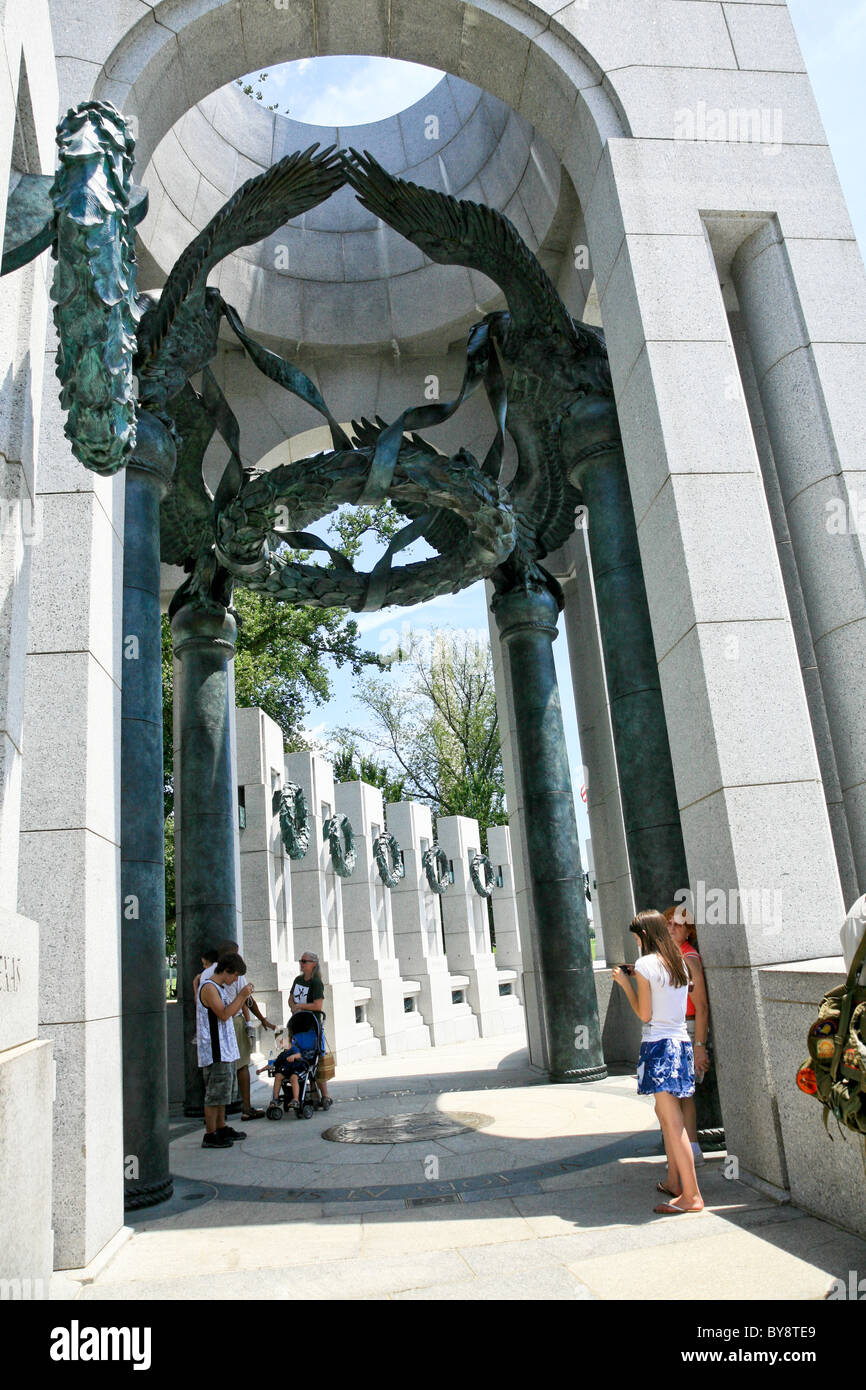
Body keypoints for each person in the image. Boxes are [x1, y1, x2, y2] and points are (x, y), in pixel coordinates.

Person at [612, 909, 705, 1215]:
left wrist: (626, 985)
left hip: (659, 1045)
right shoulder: (680, 960)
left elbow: (645, 1014)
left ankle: (691, 1195)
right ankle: (676, 1183)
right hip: (680, 1044)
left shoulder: (645, 964)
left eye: (637, 936)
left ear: (644, 935)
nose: (636, 941)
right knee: (668, 1118)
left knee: (672, 1122)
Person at [201, 938, 278, 1120]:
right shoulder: (220, 978)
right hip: (229, 1022)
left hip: (211, 1029)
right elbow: (233, 1008)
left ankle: (220, 1122)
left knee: (220, 1076)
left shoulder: (205, 975)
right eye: (234, 976)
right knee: (240, 1066)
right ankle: (244, 1108)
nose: (235, 979)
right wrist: (257, 1017)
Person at [663, 904, 710, 1166]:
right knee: (680, 1093)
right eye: (668, 923)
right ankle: (690, 1150)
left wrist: (700, 1046)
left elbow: (701, 1006)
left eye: (676, 925)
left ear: (688, 931)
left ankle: (690, 1150)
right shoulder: (674, 955)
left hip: (688, 1027)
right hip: (676, 1027)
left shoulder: (689, 958)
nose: (670, 928)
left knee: (680, 1093)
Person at [197, 951, 253, 1149]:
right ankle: (210, 1133)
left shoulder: (218, 987)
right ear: (227, 971)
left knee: (223, 1092)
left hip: (225, 1049)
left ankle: (221, 1127)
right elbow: (223, 1014)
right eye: (235, 975)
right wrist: (242, 995)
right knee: (215, 1093)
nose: (236, 979)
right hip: (215, 1050)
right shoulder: (210, 988)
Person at [289, 951, 331, 1102]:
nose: (301, 963)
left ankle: (324, 1095)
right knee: (302, 1060)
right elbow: (291, 998)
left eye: (304, 961)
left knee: (316, 1060)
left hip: (312, 1026)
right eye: (301, 961)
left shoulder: (316, 983)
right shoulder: (298, 980)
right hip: (297, 1024)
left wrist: (300, 1006)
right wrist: (293, 1006)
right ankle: (309, 1092)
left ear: (313, 964)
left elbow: (318, 1005)